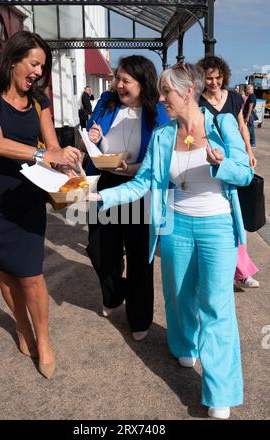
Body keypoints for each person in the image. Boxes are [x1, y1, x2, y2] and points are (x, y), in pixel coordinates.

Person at [88, 63, 253, 419]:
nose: (161, 99)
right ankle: (183, 343)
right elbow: (142, 182)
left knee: (216, 306)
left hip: (216, 226)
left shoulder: (221, 126)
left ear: (188, 91)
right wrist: (101, 198)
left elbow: (245, 173)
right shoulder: (164, 136)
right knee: (177, 296)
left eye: (167, 93)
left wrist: (222, 163)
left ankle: (220, 390)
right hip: (176, 226)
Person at [0, 31, 81, 379]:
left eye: (42, 67)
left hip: (28, 195)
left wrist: (67, 163)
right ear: (13, 59)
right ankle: (22, 328)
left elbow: (51, 145)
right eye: (34, 63)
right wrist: (43, 153)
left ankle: (44, 341)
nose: (38, 71)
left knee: (32, 275)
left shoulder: (39, 100)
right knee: (5, 272)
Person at [86, 55, 169, 341]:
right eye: (117, 78)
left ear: (143, 83)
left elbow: (161, 157)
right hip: (106, 182)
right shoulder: (107, 101)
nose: (118, 85)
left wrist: (133, 168)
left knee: (139, 257)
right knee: (99, 249)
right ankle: (114, 293)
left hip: (140, 184)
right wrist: (93, 134)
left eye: (125, 80)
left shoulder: (158, 111)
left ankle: (140, 316)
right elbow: (92, 134)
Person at [197, 55, 259, 289]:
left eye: (217, 77)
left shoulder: (233, 97)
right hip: (210, 162)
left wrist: (248, 151)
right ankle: (236, 270)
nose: (213, 82)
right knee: (224, 217)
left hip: (233, 161)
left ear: (224, 76)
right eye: (208, 78)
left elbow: (242, 125)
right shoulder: (197, 101)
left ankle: (241, 270)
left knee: (237, 216)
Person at [243, 84, 257, 148]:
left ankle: (252, 143)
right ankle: (251, 142)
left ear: (252, 90)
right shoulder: (251, 96)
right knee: (250, 128)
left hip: (249, 114)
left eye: (249, 89)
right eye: (247, 89)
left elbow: (250, 107)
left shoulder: (251, 96)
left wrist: (248, 116)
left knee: (250, 129)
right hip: (249, 114)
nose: (247, 90)